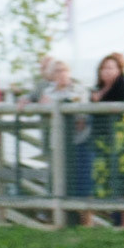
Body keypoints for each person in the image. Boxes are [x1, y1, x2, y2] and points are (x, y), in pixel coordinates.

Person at [89, 53, 124, 228]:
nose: (106, 71)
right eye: (103, 68)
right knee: (115, 187)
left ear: (119, 70)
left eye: (111, 68)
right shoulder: (96, 90)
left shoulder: (123, 86)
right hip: (105, 145)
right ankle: (121, 226)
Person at [37, 59, 91, 201]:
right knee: (57, 178)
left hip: (77, 143)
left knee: (78, 181)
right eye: (57, 71)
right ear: (52, 75)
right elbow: (43, 113)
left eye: (64, 70)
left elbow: (82, 117)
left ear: (69, 72)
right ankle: (57, 212)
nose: (61, 74)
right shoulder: (47, 91)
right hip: (56, 142)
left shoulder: (79, 90)